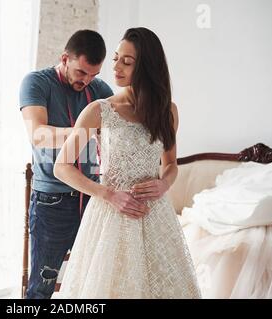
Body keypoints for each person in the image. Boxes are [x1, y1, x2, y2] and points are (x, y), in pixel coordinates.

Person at [54, 27, 201, 298]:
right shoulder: (99, 111)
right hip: (111, 215)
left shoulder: (168, 112)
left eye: (127, 61)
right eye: (116, 58)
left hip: (155, 217)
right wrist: (108, 194)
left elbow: (170, 164)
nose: (117, 67)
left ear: (146, 67)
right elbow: (61, 167)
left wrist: (164, 184)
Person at [19, 30, 116, 299]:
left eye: (94, 75)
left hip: (93, 199)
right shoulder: (36, 83)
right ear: (65, 58)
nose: (87, 81)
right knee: (42, 286)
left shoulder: (99, 91)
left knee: (92, 282)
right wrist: (84, 130)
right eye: (82, 72)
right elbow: (37, 135)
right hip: (52, 202)